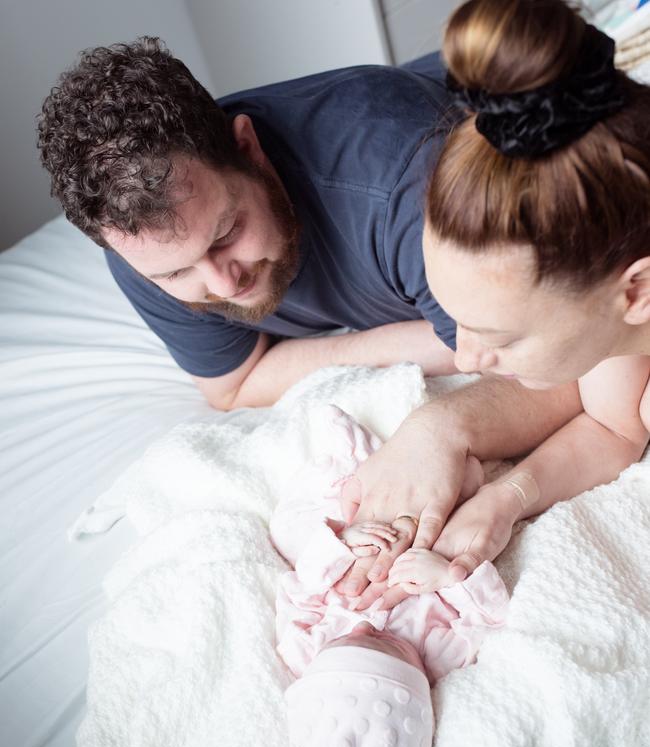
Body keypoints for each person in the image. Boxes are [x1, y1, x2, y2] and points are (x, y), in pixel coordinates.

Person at [36, 33, 581, 568]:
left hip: (516, 87)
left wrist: (443, 425)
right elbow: (233, 384)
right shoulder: (144, 245)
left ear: (248, 149)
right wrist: (427, 342)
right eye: (180, 272)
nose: (224, 286)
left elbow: (570, 361)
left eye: (226, 234)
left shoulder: (411, 183)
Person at [340, 0, 650, 611]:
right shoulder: (623, 304)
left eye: (501, 337)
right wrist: (500, 503)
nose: (466, 354)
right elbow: (615, 425)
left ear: (637, 290)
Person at [270, 404, 509, 747]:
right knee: (466, 499)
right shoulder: (440, 655)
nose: (366, 625)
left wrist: (340, 546)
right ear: (422, 685)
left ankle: (351, 459)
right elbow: (488, 616)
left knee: (287, 531)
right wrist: (448, 576)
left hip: (356, 541)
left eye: (345, 642)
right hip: (430, 542)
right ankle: (417, 471)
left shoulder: (302, 651)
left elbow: (297, 590)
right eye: (388, 646)